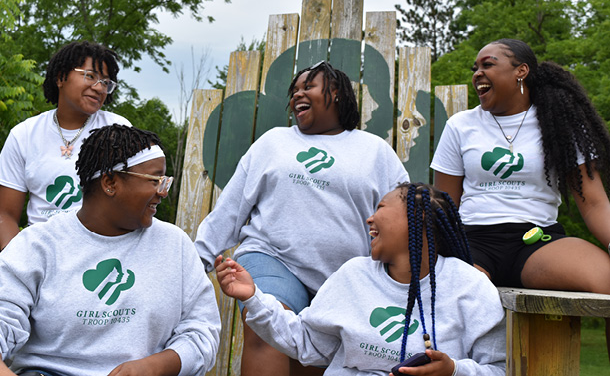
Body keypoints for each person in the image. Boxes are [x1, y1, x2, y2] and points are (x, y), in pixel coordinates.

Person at [194, 61, 410, 376]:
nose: (297, 95)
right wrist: (193, 263)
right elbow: (231, 207)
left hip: (345, 277)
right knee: (266, 325)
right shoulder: (273, 143)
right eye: (294, 91)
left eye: (307, 86)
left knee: (313, 361)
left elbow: (406, 212)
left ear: (335, 92)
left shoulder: (375, 151)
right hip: (273, 257)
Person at [430, 38, 610, 357]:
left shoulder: (559, 124)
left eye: (488, 64)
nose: (477, 73)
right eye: (475, 68)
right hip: (474, 241)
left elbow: (594, 202)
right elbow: (445, 203)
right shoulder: (461, 126)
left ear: (521, 72)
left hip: (537, 240)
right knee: (445, 296)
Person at [215, 182, 506, 376]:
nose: (369, 219)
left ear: (415, 219)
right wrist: (252, 297)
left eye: (380, 208)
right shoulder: (353, 275)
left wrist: (454, 370)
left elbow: (499, 369)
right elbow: (305, 341)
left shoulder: (470, 287)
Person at [0, 124, 221, 376]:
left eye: (164, 181)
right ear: (110, 183)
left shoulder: (175, 245)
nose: (162, 192)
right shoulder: (38, 246)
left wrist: (154, 367)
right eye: (154, 180)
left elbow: (202, 330)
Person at [0, 40, 131, 249]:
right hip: (41, 251)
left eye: (106, 82)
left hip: (102, 251)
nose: (99, 88)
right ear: (61, 77)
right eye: (90, 76)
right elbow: (5, 214)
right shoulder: (24, 135)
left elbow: (132, 201)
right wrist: (18, 263)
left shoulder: (117, 130)